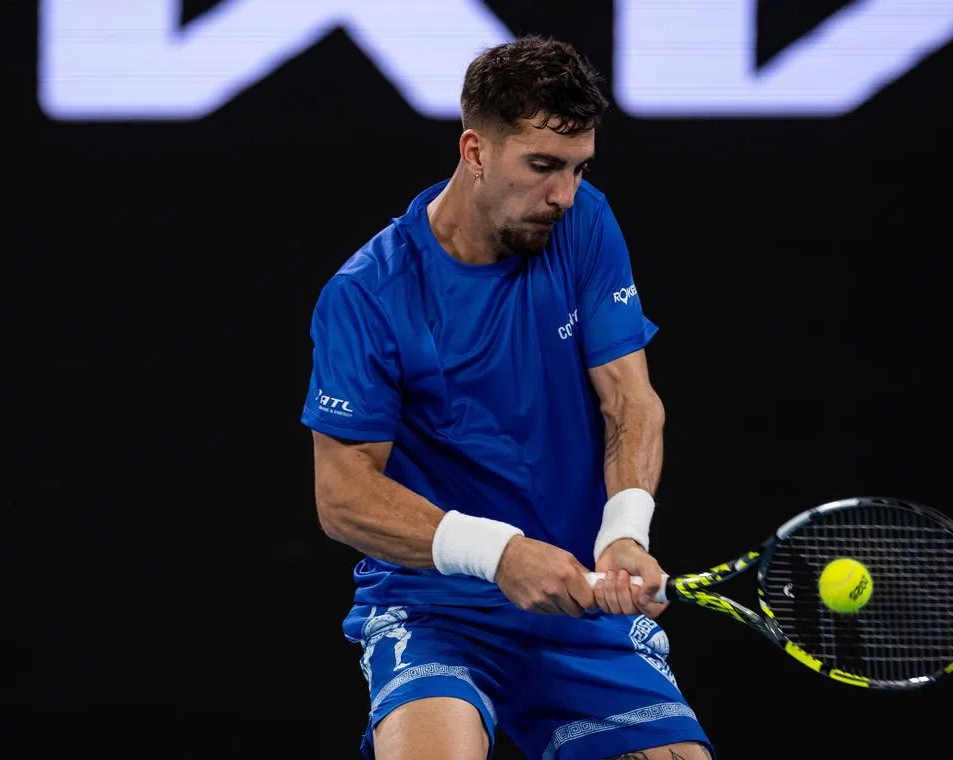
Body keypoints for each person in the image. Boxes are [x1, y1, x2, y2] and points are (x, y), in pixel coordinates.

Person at [300, 35, 714, 760]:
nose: (564, 194)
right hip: (437, 607)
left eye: (580, 169)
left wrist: (625, 532)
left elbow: (632, 402)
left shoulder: (585, 223)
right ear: (475, 152)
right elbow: (342, 498)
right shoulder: (368, 294)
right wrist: (499, 554)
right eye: (544, 167)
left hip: (579, 603)